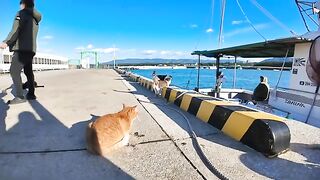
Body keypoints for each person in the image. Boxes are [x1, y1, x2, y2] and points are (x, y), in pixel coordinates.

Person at [0, 0, 41, 104]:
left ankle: (20, 96)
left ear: (23, 4)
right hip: (31, 49)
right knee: (28, 71)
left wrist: (6, 42)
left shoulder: (21, 13)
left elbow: (16, 29)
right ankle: (31, 94)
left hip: (21, 48)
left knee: (14, 71)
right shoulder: (35, 18)